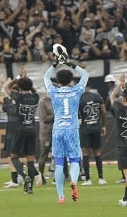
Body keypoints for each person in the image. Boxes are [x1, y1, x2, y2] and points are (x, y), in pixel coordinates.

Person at [44, 60, 90, 203]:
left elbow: (45, 77)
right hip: (72, 129)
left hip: (58, 129)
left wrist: (55, 64)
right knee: (75, 159)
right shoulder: (76, 90)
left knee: (59, 162)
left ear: (57, 80)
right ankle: (74, 181)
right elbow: (85, 74)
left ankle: (60, 196)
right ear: (71, 80)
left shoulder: (53, 91)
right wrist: (70, 63)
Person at [78, 82, 107, 185]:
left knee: (85, 154)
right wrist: (103, 125)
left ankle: (87, 180)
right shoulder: (97, 96)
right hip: (96, 127)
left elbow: (77, 114)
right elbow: (103, 111)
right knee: (97, 153)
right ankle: (101, 178)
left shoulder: (79, 98)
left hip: (85, 128)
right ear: (89, 86)